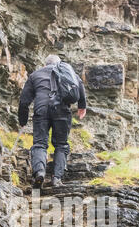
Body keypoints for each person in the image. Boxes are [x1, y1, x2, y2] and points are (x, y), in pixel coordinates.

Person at [18, 55, 87, 187]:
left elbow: (24, 101)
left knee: (39, 143)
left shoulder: (35, 75)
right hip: (62, 110)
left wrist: (23, 119)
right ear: (59, 64)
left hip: (41, 110)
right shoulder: (68, 72)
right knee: (61, 144)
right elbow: (79, 85)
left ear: (45, 64)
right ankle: (56, 178)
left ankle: (39, 172)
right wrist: (82, 106)